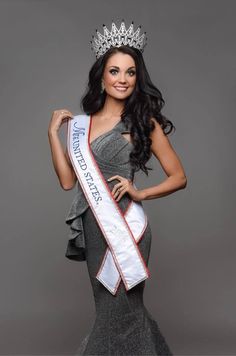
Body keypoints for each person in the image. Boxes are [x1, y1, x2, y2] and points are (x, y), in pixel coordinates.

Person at [48, 20, 187, 356]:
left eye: (130, 72)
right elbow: (69, 182)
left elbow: (178, 177)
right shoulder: (82, 126)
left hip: (126, 227)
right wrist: (53, 135)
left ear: (138, 78)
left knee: (120, 312)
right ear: (102, 76)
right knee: (113, 310)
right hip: (93, 226)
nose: (123, 79)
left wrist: (140, 193)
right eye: (114, 71)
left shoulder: (144, 122)